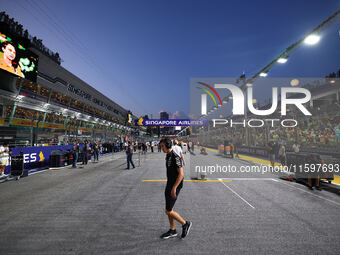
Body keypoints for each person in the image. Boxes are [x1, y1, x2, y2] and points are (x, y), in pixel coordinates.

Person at [159, 138, 192, 239]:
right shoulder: (168, 155)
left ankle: (185, 223)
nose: (161, 148)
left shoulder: (175, 156)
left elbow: (181, 174)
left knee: (168, 211)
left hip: (175, 185)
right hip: (169, 184)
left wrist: (174, 188)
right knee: (169, 208)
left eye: (162, 146)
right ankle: (172, 230)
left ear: (168, 145)